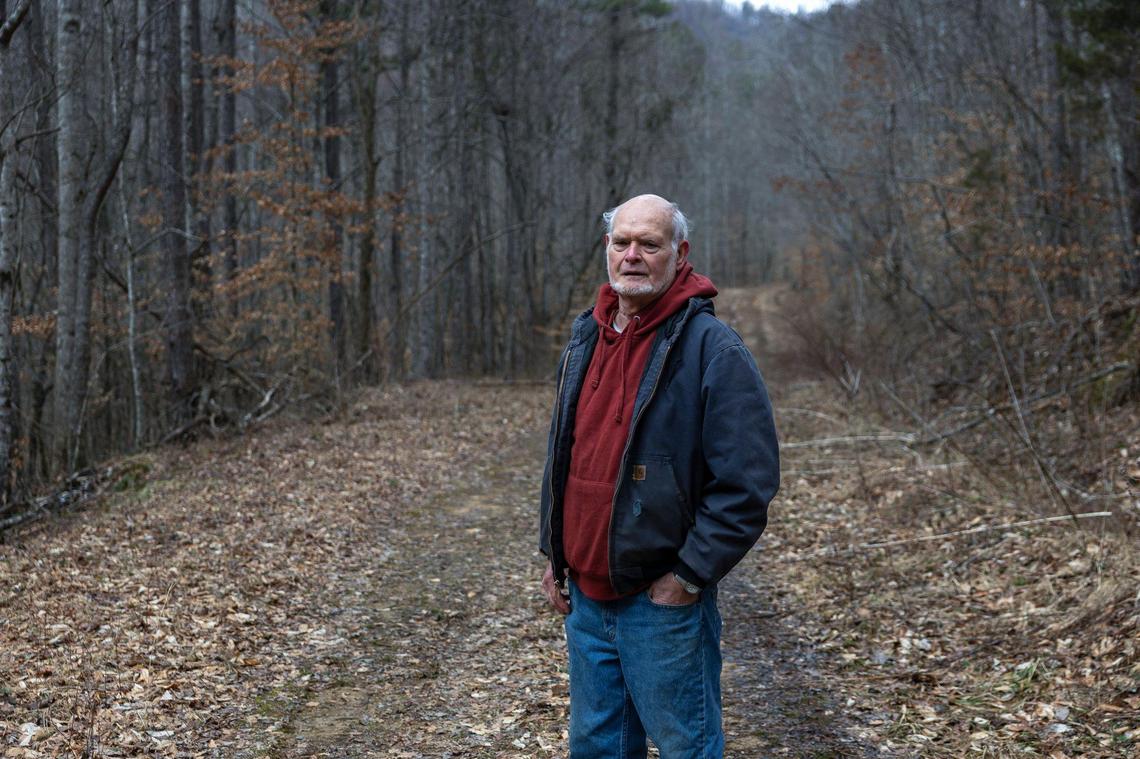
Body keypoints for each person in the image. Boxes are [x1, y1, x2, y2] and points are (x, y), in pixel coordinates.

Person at [538, 193, 780, 758]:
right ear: (607, 249)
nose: (633, 255)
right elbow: (563, 459)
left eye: (649, 243)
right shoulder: (584, 341)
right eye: (622, 242)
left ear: (679, 252)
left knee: (684, 748)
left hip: (661, 604)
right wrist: (554, 553)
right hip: (587, 603)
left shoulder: (712, 350)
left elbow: (747, 484)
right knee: (598, 747)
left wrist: (689, 576)